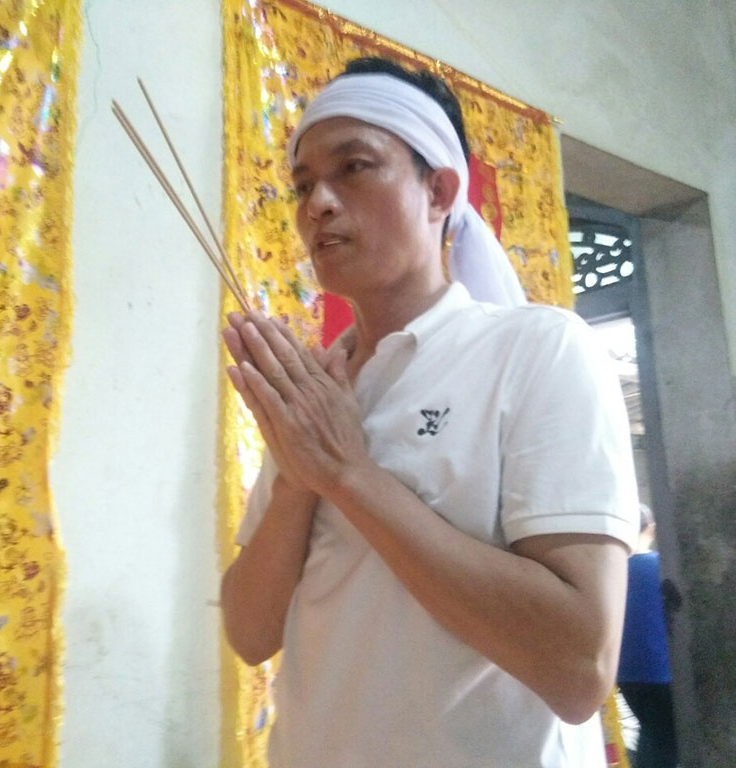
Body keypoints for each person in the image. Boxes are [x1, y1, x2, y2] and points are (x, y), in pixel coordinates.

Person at [219, 56, 639, 768]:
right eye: (301, 184)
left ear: (440, 188)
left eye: (353, 167)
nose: (316, 203)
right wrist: (298, 476)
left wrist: (349, 474)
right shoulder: (324, 390)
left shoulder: (537, 349)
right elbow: (251, 632)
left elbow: (578, 666)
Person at [618, 504, 678, 768]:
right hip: (662, 671)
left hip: (626, 673)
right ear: (651, 530)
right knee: (666, 738)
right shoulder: (661, 567)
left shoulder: (613, 574)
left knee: (650, 731)